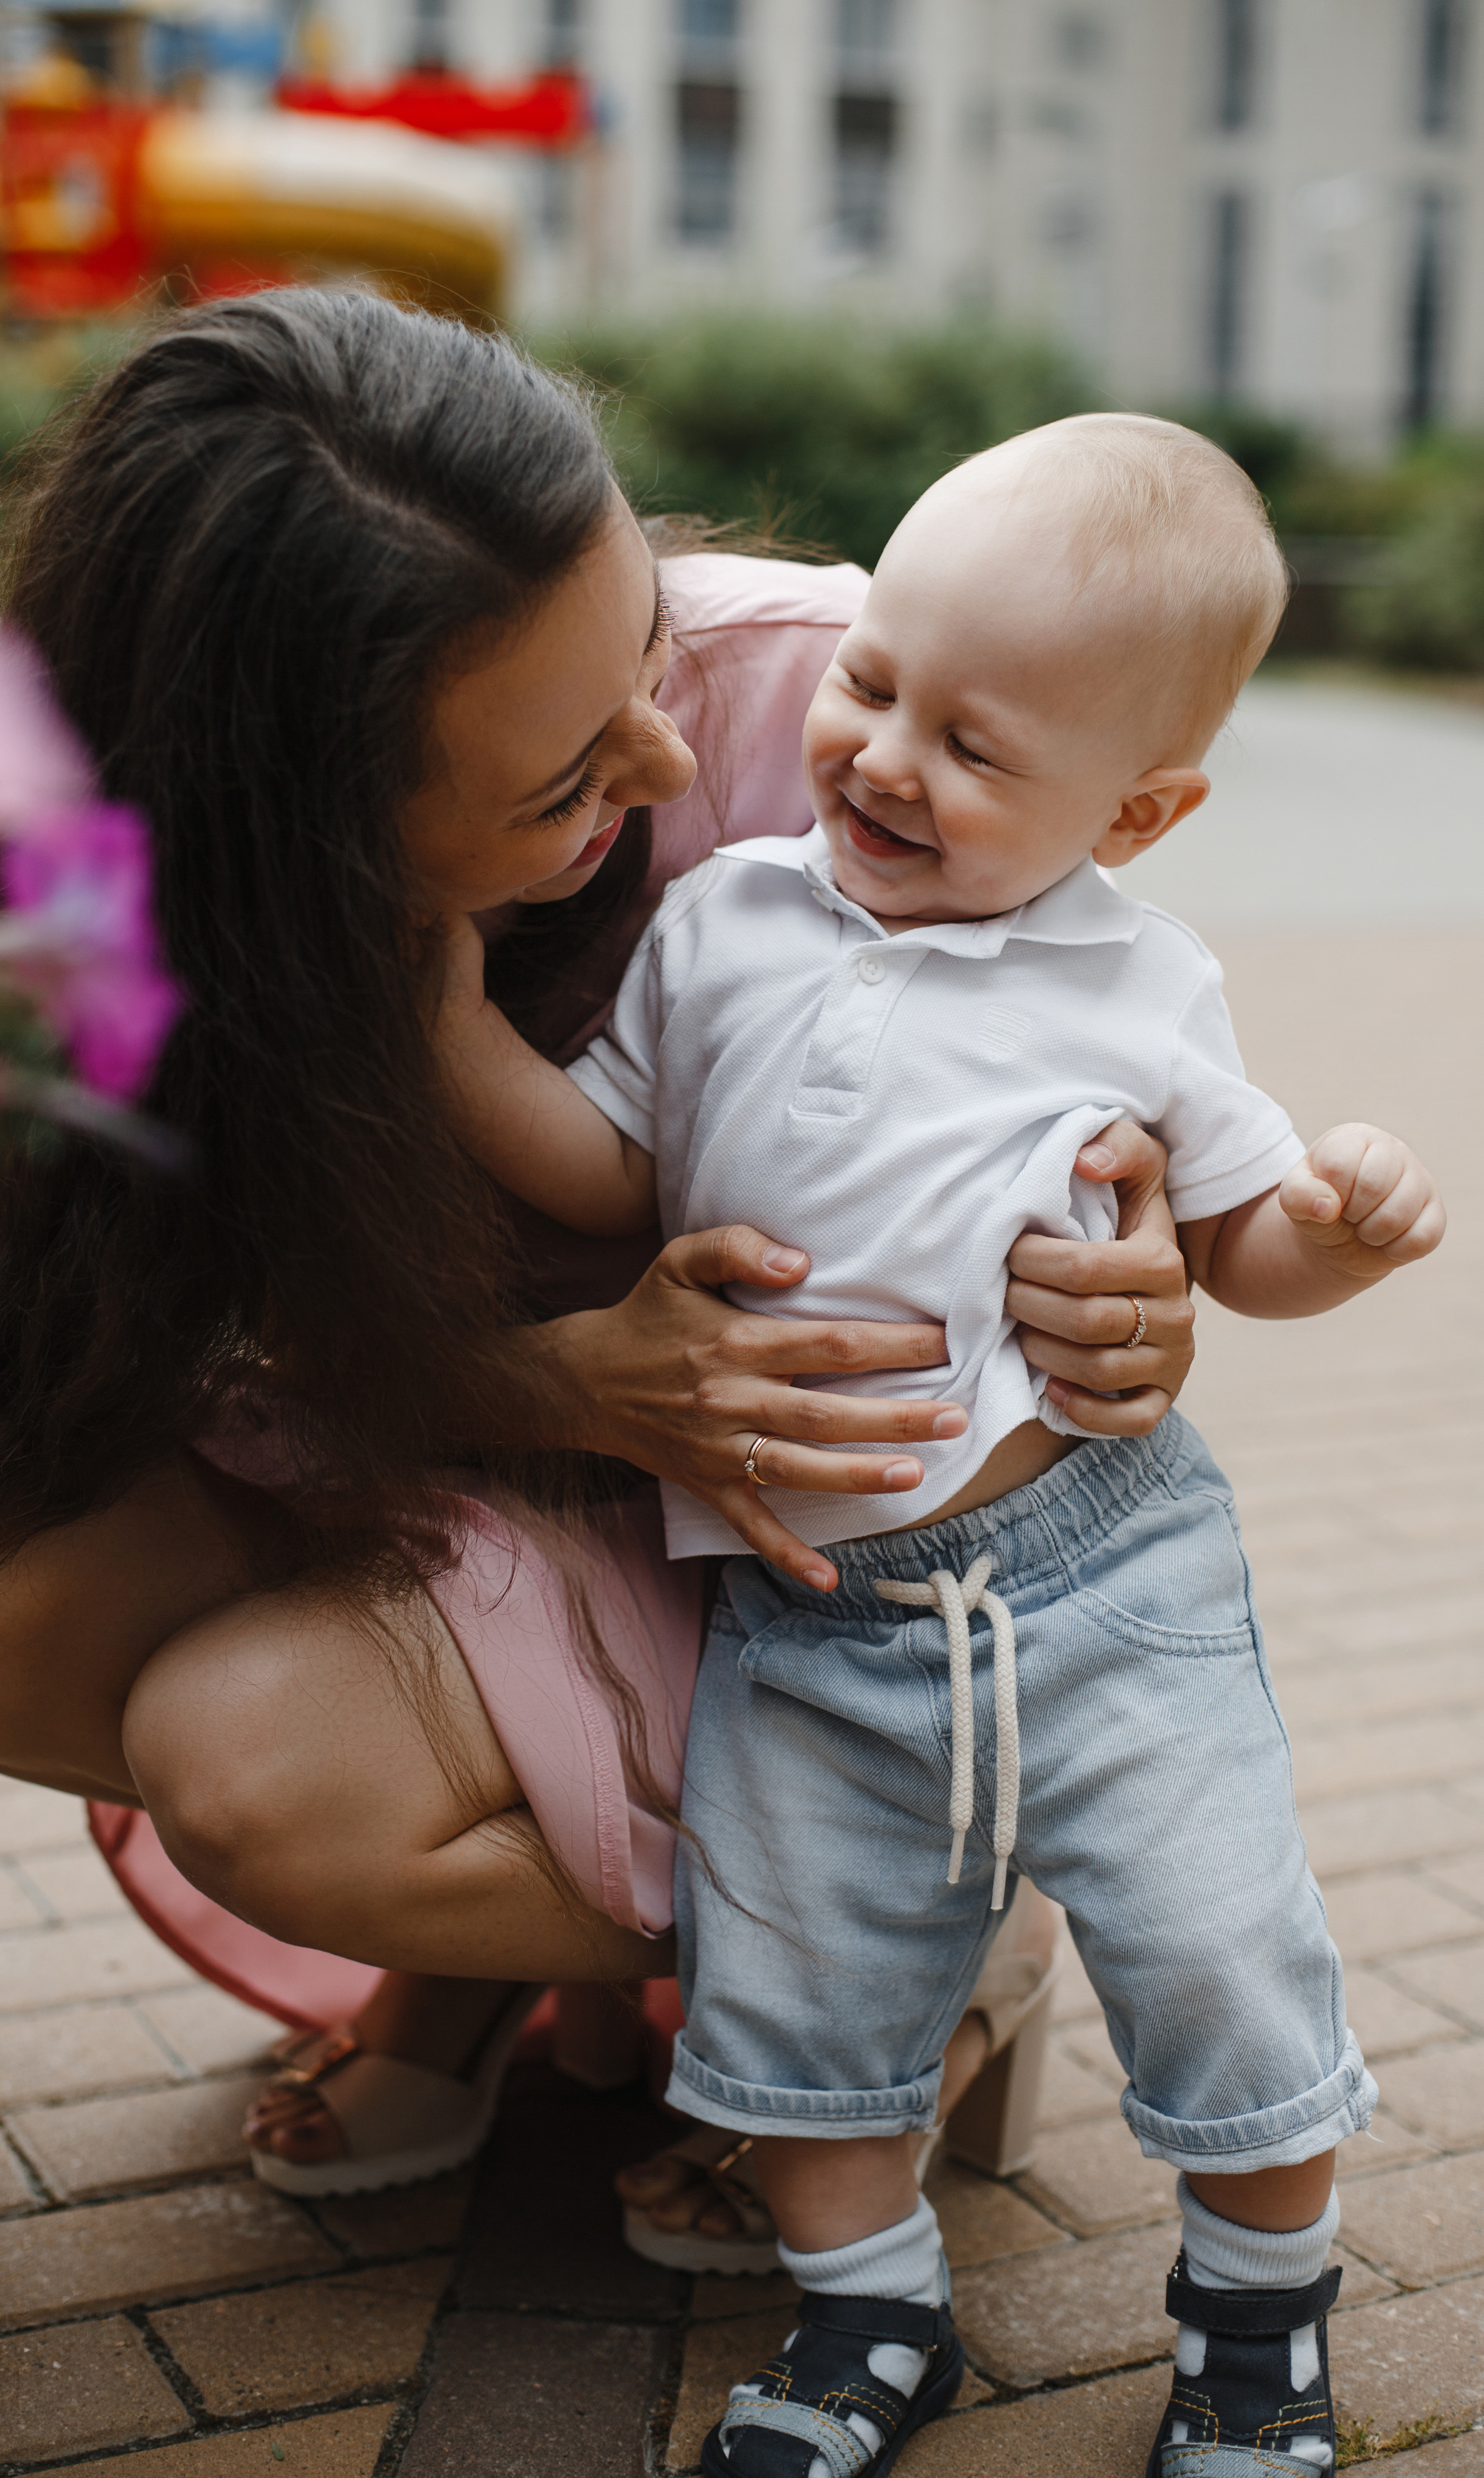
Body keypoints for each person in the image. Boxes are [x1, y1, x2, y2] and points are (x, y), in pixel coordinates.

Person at [0, 295, 1193, 2270]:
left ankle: (916, 1933)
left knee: (259, 1770)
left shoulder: (848, 707)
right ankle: (494, 1943)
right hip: (489, 1455)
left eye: (642, 634)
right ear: (300, 859)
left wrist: (1145, 1268)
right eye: (564, 784)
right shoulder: (122, 922)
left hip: (812, 1548)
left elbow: (1126, 1082)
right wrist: (562, 1382)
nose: (667, 746)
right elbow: (165, 1346)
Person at [428, 414, 1445, 2477]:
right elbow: (609, 1169)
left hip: (1098, 1575)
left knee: (1219, 1949)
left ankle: (1259, 2338)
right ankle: (871, 2321)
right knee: (797, 2009)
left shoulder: (1138, 981)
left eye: (974, 747)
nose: (885, 759)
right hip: (807, 1616)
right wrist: (438, 1015)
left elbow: (1234, 1246)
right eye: (873, 684)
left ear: (1138, 812)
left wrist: (1334, 1237)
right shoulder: (722, 925)